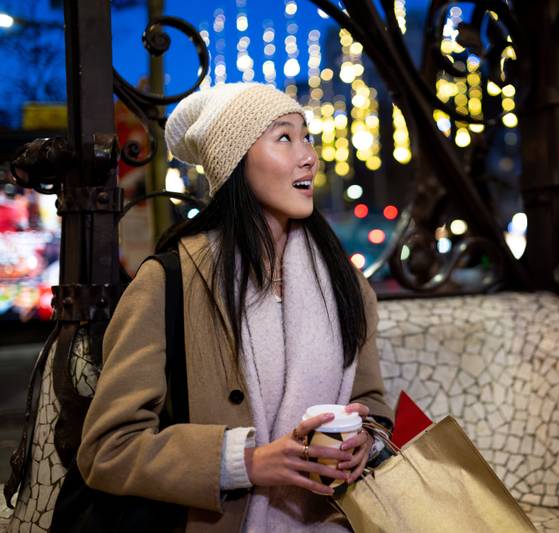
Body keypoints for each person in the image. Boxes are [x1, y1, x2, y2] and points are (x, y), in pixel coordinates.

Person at [77, 82, 394, 532]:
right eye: (284, 137)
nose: (308, 155)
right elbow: (108, 448)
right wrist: (248, 462)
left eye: (307, 137)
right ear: (235, 161)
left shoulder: (345, 284)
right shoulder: (168, 283)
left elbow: (371, 404)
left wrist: (367, 440)